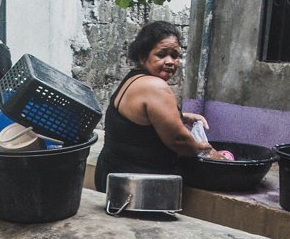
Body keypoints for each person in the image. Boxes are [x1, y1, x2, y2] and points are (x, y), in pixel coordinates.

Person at [94, 20, 227, 192]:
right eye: (162, 54)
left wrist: (182, 116)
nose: (170, 61)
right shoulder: (155, 86)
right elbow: (178, 140)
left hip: (111, 174)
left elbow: (141, 117)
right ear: (143, 57)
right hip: (135, 186)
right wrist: (207, 151)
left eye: (175, 55)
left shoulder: (132, 79)